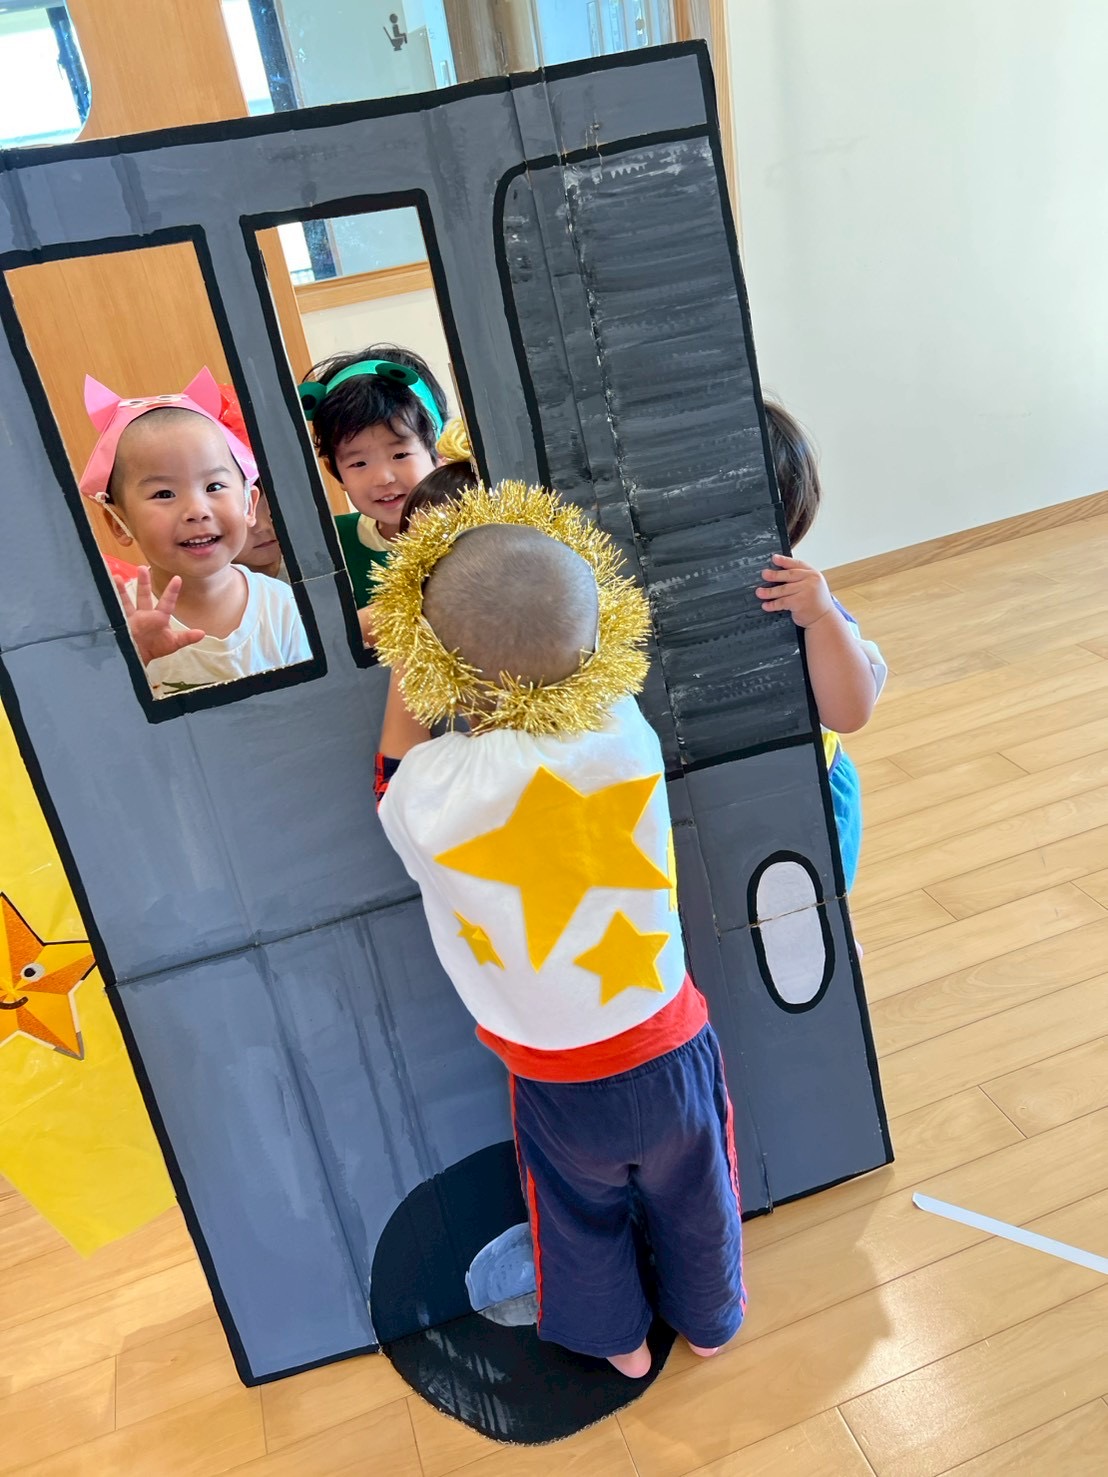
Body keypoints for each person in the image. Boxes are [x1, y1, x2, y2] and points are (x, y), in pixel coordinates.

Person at [372, 482, 746, 1380]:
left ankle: (619, 1342)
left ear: (436, 668)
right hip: (668, 1042)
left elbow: (389, 775)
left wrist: (403, 658)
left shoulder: (438, 792)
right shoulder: (625, 734)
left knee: (574, 1217)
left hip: (556, 1080)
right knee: (701, 1191)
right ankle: (711, 1320)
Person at [78, 368, 310, 698]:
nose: (197, 510)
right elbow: (91, 713)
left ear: (248, 502)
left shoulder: (283, 606)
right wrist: (132, 660)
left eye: (214, 486)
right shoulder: (116, 622)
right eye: (164, 494)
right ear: (119, 522)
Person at [756, 401, 887, 894]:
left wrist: (820, 619)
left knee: (811, 915)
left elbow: (850, 712)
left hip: (810, 795)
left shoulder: (805, 599)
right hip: (707, 804)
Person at [298, 345, 449, 641]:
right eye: (359, 463)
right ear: (335, 472)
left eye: (400, 455)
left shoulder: (469, 528)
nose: (383, 478)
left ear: (437, 452)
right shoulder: (330, 544)